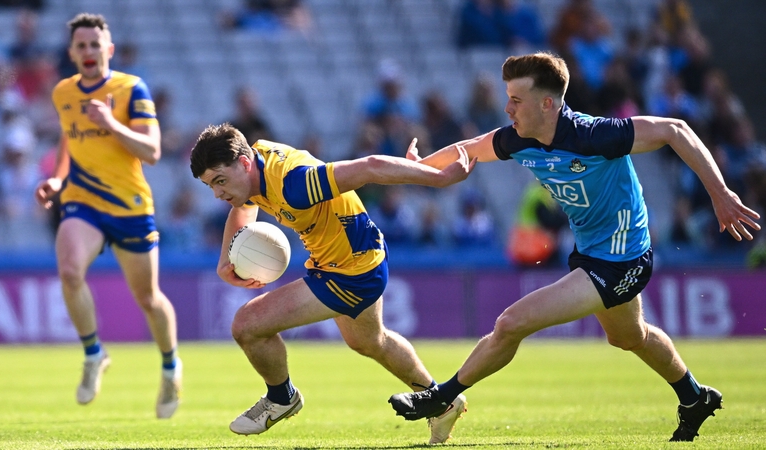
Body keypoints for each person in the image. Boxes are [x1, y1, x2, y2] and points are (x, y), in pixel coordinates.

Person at [388, 52, 761, 442]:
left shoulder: (595, 135)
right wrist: (421, 166)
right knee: (629, 337)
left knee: (510, 323)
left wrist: (720, 193)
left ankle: (441, 397)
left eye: (516, 100)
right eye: (508, 98)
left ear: (547, 104)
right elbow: (470, 148)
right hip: (590, 254)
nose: (507, 108)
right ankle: (694, 397)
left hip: (622, 258)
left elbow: (676, 130)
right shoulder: (518, 139)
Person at [189, 124, 475, 443]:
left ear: (243, 164)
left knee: (247, 324)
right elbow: (244, 204)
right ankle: (441, 402)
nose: (217, 193)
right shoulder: (253, 165)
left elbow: (369, 167)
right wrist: (226, 260)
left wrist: (438, 178)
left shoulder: (295, 183)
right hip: (356, 258)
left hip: (350, 272)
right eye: (210, 185)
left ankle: (282, 398)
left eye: (220, 181)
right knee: (369, 341)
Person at [33, 13, 182, 419]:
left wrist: (111, 122)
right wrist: (59, 180)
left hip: (130, 206)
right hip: (83, 202)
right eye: (80, 46)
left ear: (108, 50)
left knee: (148, 298)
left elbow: (152, 151)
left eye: (95, 45)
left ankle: (170, 367)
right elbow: (69, 139)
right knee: (69, 270)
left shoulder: (131, 89)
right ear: (71, 53)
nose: (88, 52)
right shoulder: (64, 93)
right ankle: (93, 354)